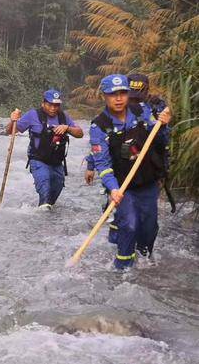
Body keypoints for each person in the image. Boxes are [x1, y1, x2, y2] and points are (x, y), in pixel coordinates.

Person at [89, 74, 171, 269]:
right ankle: (122, 270)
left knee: (149, 228)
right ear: (104, 96)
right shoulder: (99, 126)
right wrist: (113, 189)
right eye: (113, 94)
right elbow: (103, 164)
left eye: (123, 93)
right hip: (122, 188)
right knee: (130, 224)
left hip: (147, 182)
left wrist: (164, 124)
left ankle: (144, 266)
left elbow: (160, 139)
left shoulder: (142, 111)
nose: (118, 99)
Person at [9, 90, 84, 209]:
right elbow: (11, 131)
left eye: (56, 105)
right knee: (45, 186)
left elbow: (80, 134)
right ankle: (42, 217)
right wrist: (13, 120)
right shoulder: (33, 115)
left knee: (56, 190)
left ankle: (46, 216)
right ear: (43, 103)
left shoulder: (64, 117)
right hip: (38, 159)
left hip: (57, 162)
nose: (53, 108)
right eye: (50, 104)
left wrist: (67, 128)